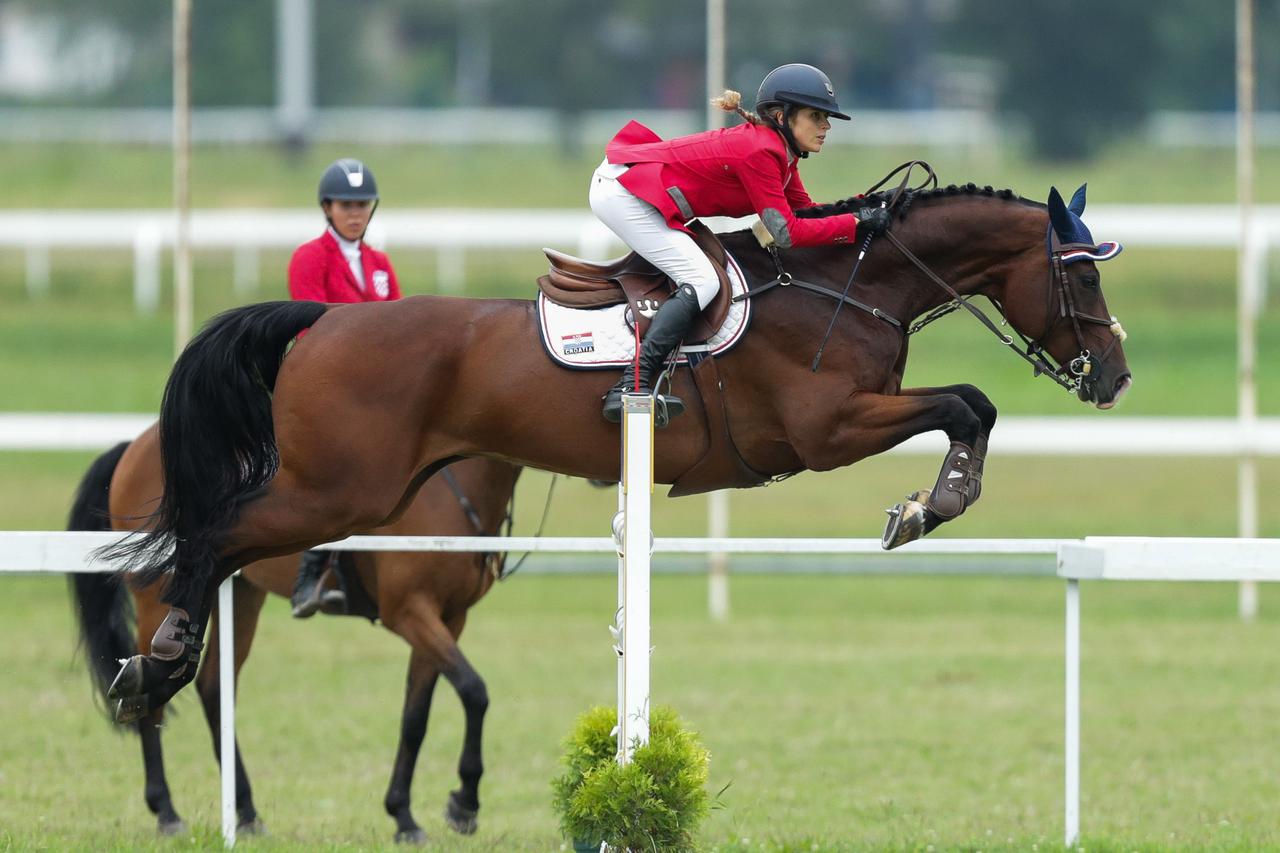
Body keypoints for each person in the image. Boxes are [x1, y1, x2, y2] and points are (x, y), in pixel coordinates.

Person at [590, 63, 891, 423]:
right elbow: (787, 233)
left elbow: (807, 212)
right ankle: (631, 384)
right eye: (816, 116)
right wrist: (856, 224)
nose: (826, 126)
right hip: (624, 195)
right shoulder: (760, 152)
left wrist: (863, 205)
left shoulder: (781, 153)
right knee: (703, 281)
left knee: (702, 277)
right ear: (781, 116)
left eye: (826, 118)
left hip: (633, 186)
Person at [287, 157, 401, 618]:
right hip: (329, 386)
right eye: (346, 205)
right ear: (327, 208)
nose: (355, 213)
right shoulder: (309, 258)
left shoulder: (380, 264)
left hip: (378, 392)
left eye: (362, 205)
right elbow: (311, 330)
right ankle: (310, 571)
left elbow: (402, 328)